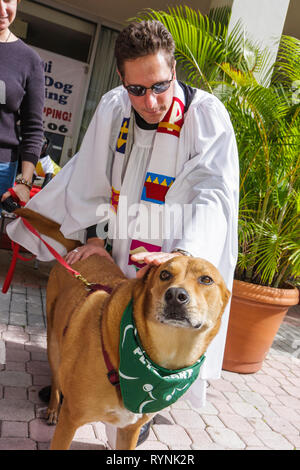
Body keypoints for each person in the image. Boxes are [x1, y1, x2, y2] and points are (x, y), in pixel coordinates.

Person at [7, 21, 239, 445]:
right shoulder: (116, 107)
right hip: (121, 249)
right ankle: (88, 386)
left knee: (162, 334)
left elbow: (212, 193)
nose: (149, 102)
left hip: (172, 258)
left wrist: (180, 259)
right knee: (108, 331)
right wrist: (94, 234)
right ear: (121, 80)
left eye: (159, 86)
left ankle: (143, 404)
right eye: (137, 89)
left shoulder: (206, 118)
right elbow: (91, 174)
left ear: (174, 71)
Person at [0, 0, 44, 214]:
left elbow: (33, 128)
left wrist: (24, 182)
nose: (2, 10)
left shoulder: (29, 60)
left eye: (8, 0)